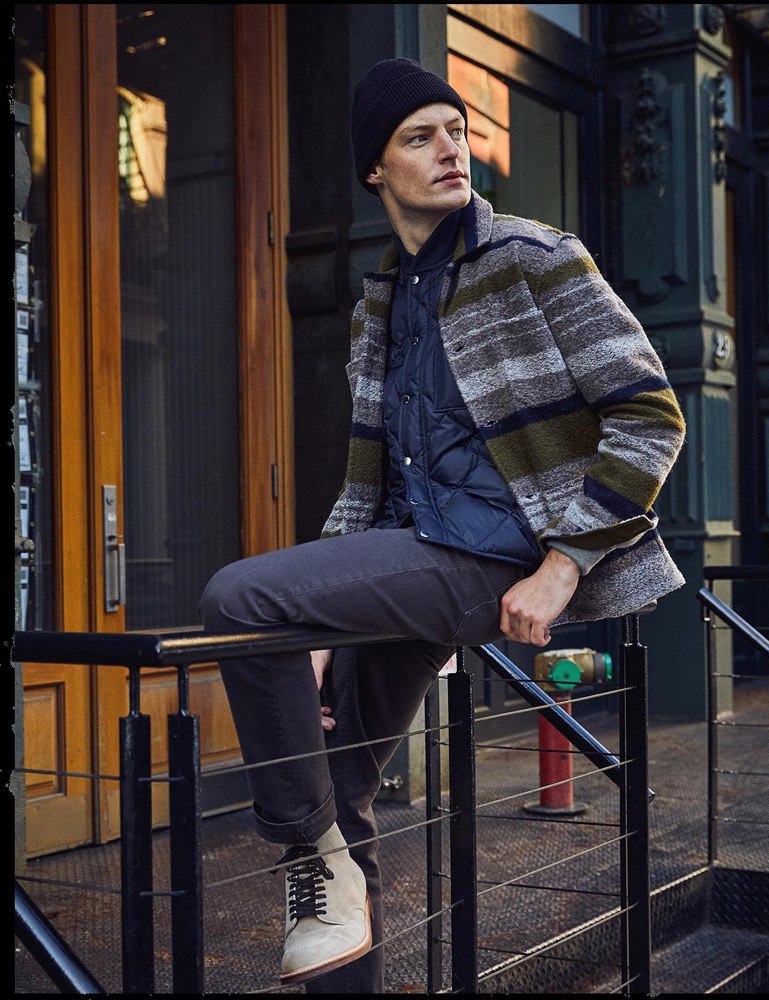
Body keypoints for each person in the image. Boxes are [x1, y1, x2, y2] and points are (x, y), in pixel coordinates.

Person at [198, 57, 686, 993]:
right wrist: (307, 629)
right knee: (339, 784)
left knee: (238, 594)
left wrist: (565, 563)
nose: (451, 150)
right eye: (419, 137)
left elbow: (650, 415)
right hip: (416, 556)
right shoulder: (381, 305)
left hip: (494, 557)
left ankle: (308, 858)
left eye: (456, 130)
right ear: (376, 170)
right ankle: (335, 903)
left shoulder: (538, 258)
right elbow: (370, 485)